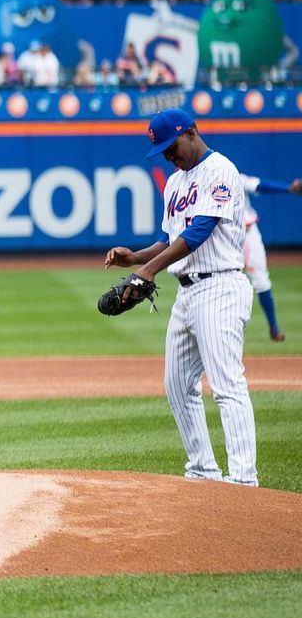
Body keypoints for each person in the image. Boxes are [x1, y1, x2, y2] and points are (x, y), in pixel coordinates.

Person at [105, 108, 258, 486]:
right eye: (163, 152)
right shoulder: (174, 183)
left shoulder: (220, 170)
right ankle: (203, 469)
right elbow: (171, 238)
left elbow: (200, 230)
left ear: (191, 132)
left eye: (172, 147)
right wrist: (136, 258)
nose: (169, 156)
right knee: (177, 385)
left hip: (220, 287)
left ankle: (243, 479)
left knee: (226, 385)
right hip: (187, 294)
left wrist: (149, 271)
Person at [240, 173, 302, 341]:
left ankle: (274, 328)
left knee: (261, 281)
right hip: (223, 237)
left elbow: (261, 185)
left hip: (249, 235)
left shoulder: (233, 176)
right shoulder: (202, 183)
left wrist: (288, 188)